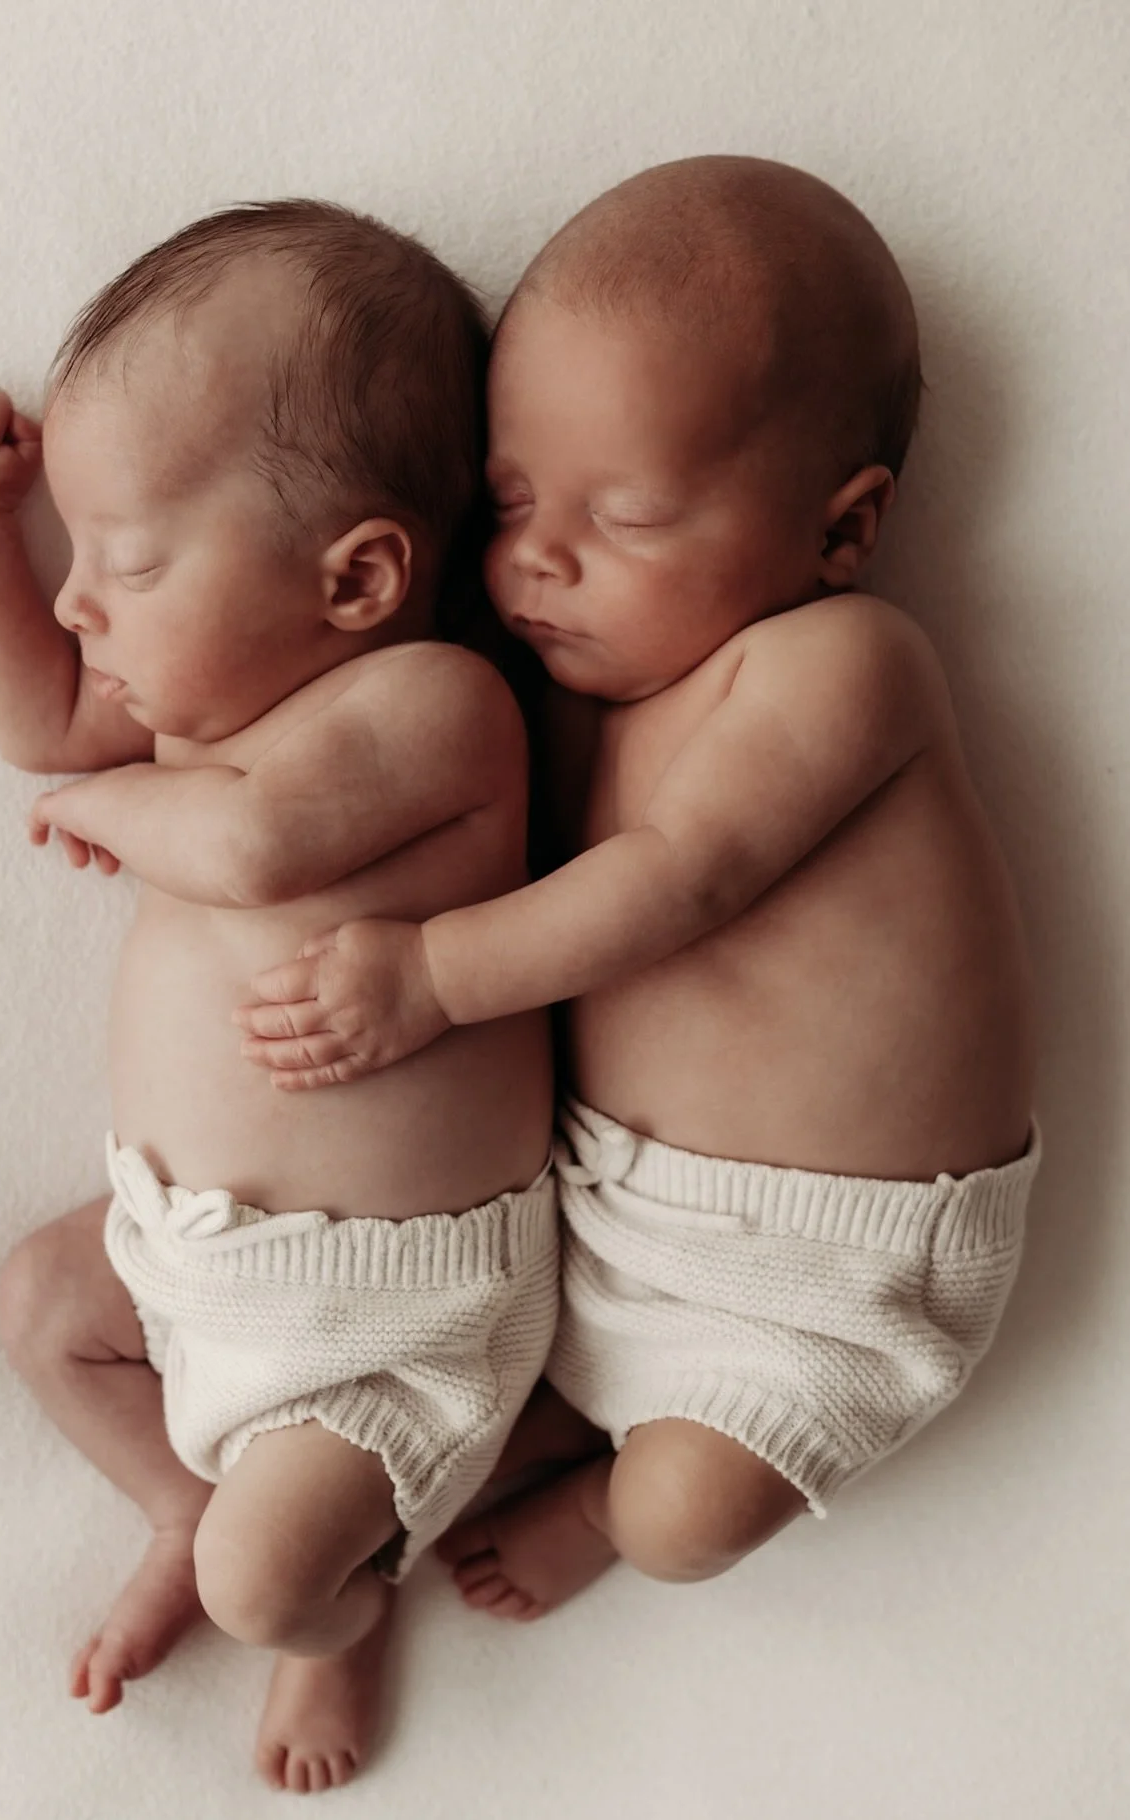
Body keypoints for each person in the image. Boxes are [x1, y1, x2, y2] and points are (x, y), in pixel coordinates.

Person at [236, 157, 1039, 1621]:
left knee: (685, 1517)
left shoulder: (838, 671)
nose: (541, 559)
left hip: (824, 1281)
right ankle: (351, 1571)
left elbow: (684, 878)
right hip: (597, 1221)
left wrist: (430, 978)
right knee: (394, 1449)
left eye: (631, 516)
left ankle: (598, 1500)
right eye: (516, 499)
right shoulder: (552, 706)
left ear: (841, 532)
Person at [0, 200, 556, 1790]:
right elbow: (44, 723)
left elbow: (255, 846)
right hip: (190, 1267)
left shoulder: (435, 706)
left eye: (124, 561)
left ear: (361, 576)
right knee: (43, 1313)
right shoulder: (191, 724)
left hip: (390, 1314)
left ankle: (343, 1605)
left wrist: (111, 812)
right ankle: (184, 1506)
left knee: (271, 1587)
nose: (77, 606)